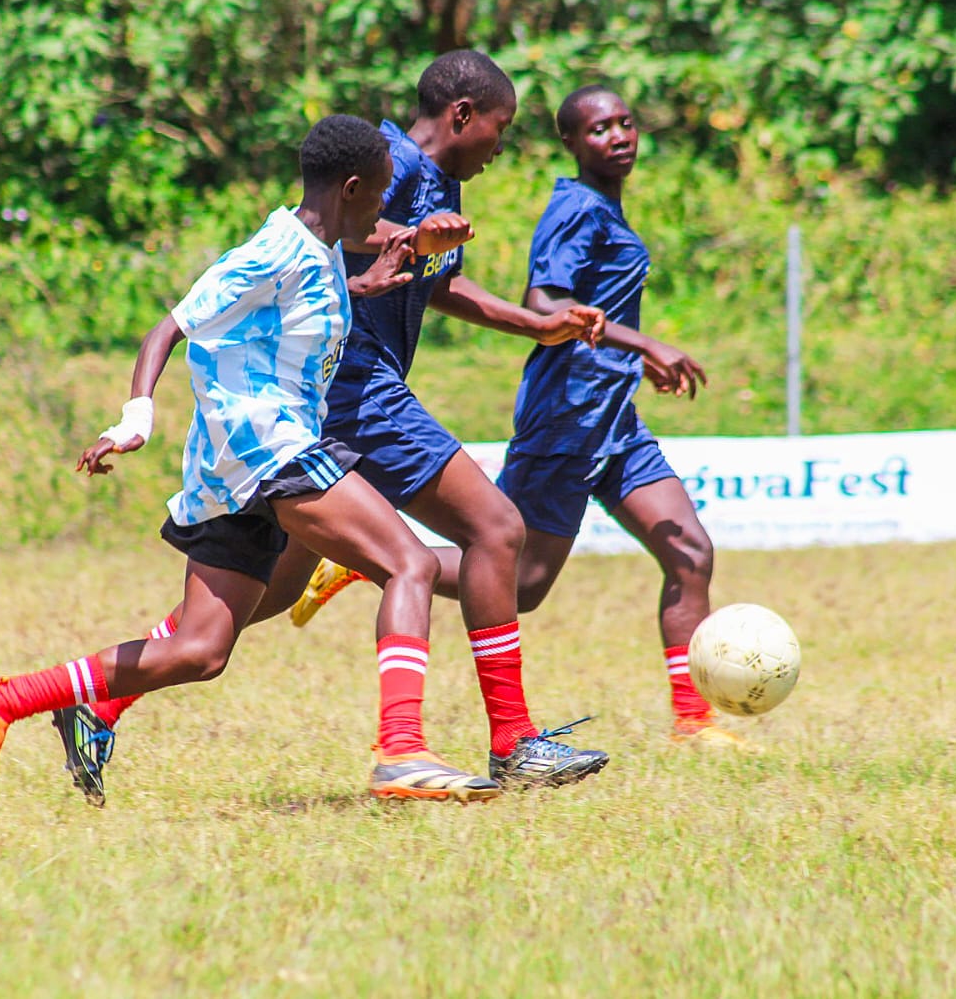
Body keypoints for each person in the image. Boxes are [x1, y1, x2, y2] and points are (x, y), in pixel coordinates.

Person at [57, 51, 613, 803]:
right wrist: (411, 233)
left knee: (263, 594)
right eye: (499, 126)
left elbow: (436, 283)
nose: (500, 145)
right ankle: (509, 741)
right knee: (496, 529)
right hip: (358, 391)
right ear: (461, 116)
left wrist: (535, 324)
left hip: (325, 403)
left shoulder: (432, 178)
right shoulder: (399, 165)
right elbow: (344, 234)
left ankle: (99, 698)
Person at [0, 115, 502, 808]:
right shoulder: (273, 250)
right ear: (352, 188)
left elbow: (313, 299)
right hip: (269, 447)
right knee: (409, 563)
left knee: (201, 650)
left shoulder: (324, 247)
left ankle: (0, 700)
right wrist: (136, 418)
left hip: (238, 468)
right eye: (381, 195)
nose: (386, 214)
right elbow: (169, 328)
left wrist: (389, 268)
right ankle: (401, 749)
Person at [297, 85, 750, 749]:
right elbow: (543, 297)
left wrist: (591, 344)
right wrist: (636, 342)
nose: (619, 136)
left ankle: (693, 721)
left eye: (626, 123)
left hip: (614, 414)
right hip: (563, 411)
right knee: (518, 574)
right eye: (600, 128)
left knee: (689, 551)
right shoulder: (563, 205)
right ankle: (377, 585)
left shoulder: (450, 185)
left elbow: (442, 284)